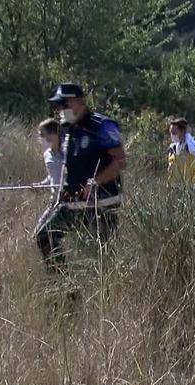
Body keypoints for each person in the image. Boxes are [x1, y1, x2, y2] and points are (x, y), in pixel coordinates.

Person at [35, 83, 127, 274]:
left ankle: (104, 294)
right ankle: (65, 287)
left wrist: (95, 181)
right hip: (75, 202)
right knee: (45, 236)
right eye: (58, 106)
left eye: (64, 104)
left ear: (78, 102)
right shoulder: (69, 130)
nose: (60, 109)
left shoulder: (102, 126)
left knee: (100, 255)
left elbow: (119, 162)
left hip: (101, 202)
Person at [166, 117, 195, 185]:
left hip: (192, 187)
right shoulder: (173, 148)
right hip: (174, 187)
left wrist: (187, 135)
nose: (172, 135)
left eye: (174, 132)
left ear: (183, 131)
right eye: (171, 133)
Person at [32, 118, 64, 196]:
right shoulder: (47, 155)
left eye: (42, 134)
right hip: (55, 199)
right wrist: (41, 185)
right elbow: (53, 175)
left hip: (69, 198)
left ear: (54, 134)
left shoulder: (68, 152)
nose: (40, 138)